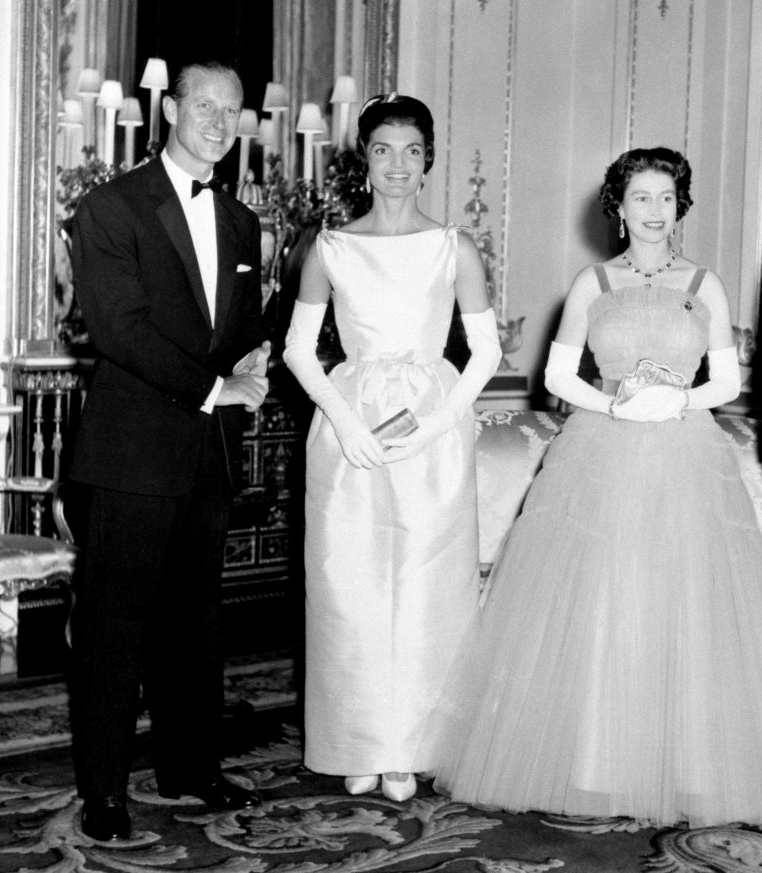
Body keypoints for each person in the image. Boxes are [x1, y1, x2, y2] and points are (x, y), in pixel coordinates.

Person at [426, 147, 762, 828]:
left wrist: (677, 401)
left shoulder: (705, 284)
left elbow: (728, 380)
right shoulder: (593, 282)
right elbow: (558, 376)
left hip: (686, 456)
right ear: (618, 208)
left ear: (681, 206)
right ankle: (600, 765)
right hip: (603, 452)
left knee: (687, 604)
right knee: (607, 602)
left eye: (666, 197)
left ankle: (689, 766)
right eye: (641, 197)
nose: (655, 210)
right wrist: (618, 404)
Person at [68, 61, 269, 842]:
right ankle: (104, 791)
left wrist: (254, 356)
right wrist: (216, 386)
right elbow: (120, 329)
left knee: (195, 622)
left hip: (206, 453)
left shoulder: (242, 222)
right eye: (204, 105)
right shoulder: (111, 206)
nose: (218, 121)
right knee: (115, 626)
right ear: (171, 111)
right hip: (131, 452)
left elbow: (240, 324)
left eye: (231, 109)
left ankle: (191, 765)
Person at [282, 93, 500, 803]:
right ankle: (360, 739)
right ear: (365, 161)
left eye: (411, 151)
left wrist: (435, 425)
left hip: (431, 424)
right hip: (350, 422)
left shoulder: (453, 247)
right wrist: (347, 425)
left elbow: (486, 352)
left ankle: (409, 745)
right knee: (351, 586)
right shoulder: (330, 247)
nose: (397, 165)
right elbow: (298, 350)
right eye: (383, 150)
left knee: (426, 588)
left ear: (427, 160)